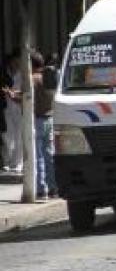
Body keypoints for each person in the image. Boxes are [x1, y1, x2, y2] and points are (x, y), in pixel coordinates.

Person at [31, 52, 56, 199]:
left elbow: (27, 100)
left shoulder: (32, 79)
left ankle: (41, 189)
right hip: (49, 119)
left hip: (37, 120)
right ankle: (53, 188)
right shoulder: (49, 78)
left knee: (38, 156)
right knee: (49, 155)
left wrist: (13, 96)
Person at [1, 50, 22, 174]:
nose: (16, 63)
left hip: (19, 107)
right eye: (14, 61)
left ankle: (18, 163)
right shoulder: (4, 73)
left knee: (19, 136)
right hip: (7, 107)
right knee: (8, 135)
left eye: (18, 60)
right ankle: (8, 161)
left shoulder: (24, 73)